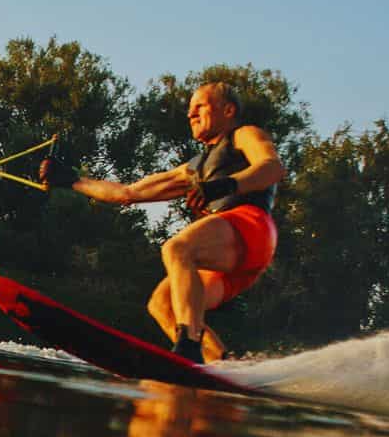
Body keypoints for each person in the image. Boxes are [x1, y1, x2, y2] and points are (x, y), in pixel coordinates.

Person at [39, 81, 284, 364]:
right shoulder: (194, 169)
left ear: (228, 110)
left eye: (200, 107)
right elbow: (128, 193)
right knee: (162, 304)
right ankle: (223, 364)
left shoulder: (244, 135)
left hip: (251, 227)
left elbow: (273, 167)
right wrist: (71, 180)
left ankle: (189, 345)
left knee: (177, 249)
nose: (191, 115)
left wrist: (225, 186)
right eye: (189, 110)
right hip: (229, 256)